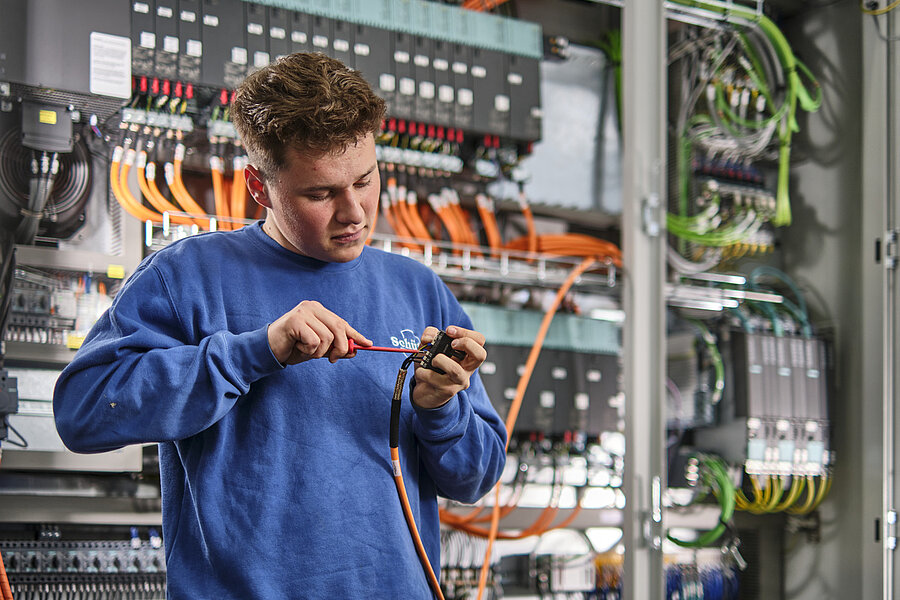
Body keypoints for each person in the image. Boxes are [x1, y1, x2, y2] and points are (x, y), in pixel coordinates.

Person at [53, 52, 507, 599]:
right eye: (320, 193)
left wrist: (440, 409)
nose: (354, 212)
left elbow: (475, 478)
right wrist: (255, 352)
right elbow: (82, 414)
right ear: (259, 187)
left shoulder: (418, 290)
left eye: (365, 180)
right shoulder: (187, 277)